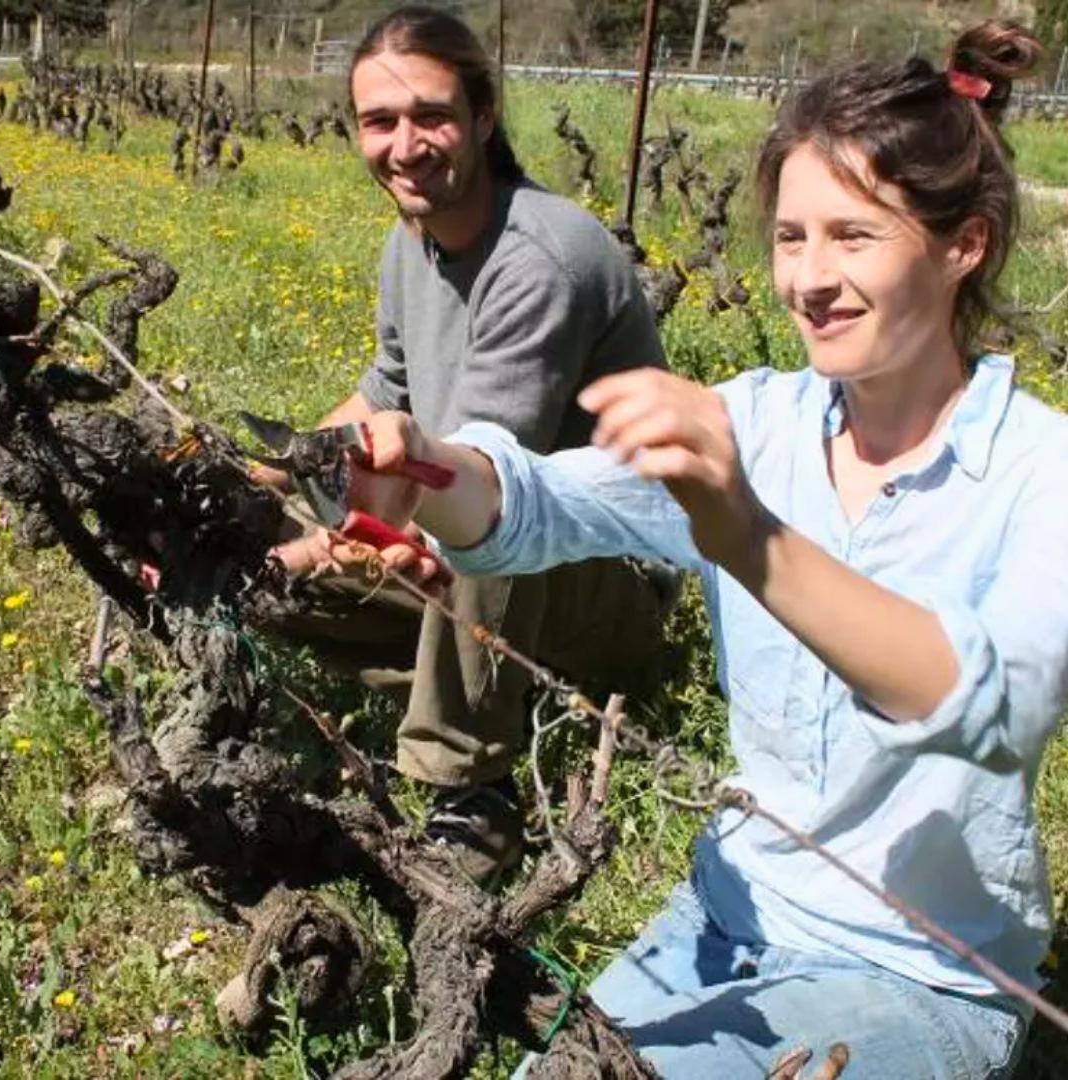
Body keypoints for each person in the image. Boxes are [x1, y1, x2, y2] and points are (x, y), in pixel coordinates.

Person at [279, 19, 1068, 1078]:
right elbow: (542, 507)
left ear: (962, 243)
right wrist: (424, 467)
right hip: (725, 908)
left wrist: (747, 534)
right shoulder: (762, 420)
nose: (811, 278)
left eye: (854, 236)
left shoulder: (1039, 472)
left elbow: (988, 709)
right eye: (792, 237)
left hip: (917, 973)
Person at [266, 5, 674, 886]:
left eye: (431, 116)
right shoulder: (408, 242)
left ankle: (472, 787)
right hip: (473, 533)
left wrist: (312, 549)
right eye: (379, 122)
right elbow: (386, 391)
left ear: (484, 118)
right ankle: (476, 680)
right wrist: (273, 477)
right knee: (263, 523)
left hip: (604, 579)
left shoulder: (542, 258)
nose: (404, 145)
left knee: (477, 527)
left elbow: (482, 481)